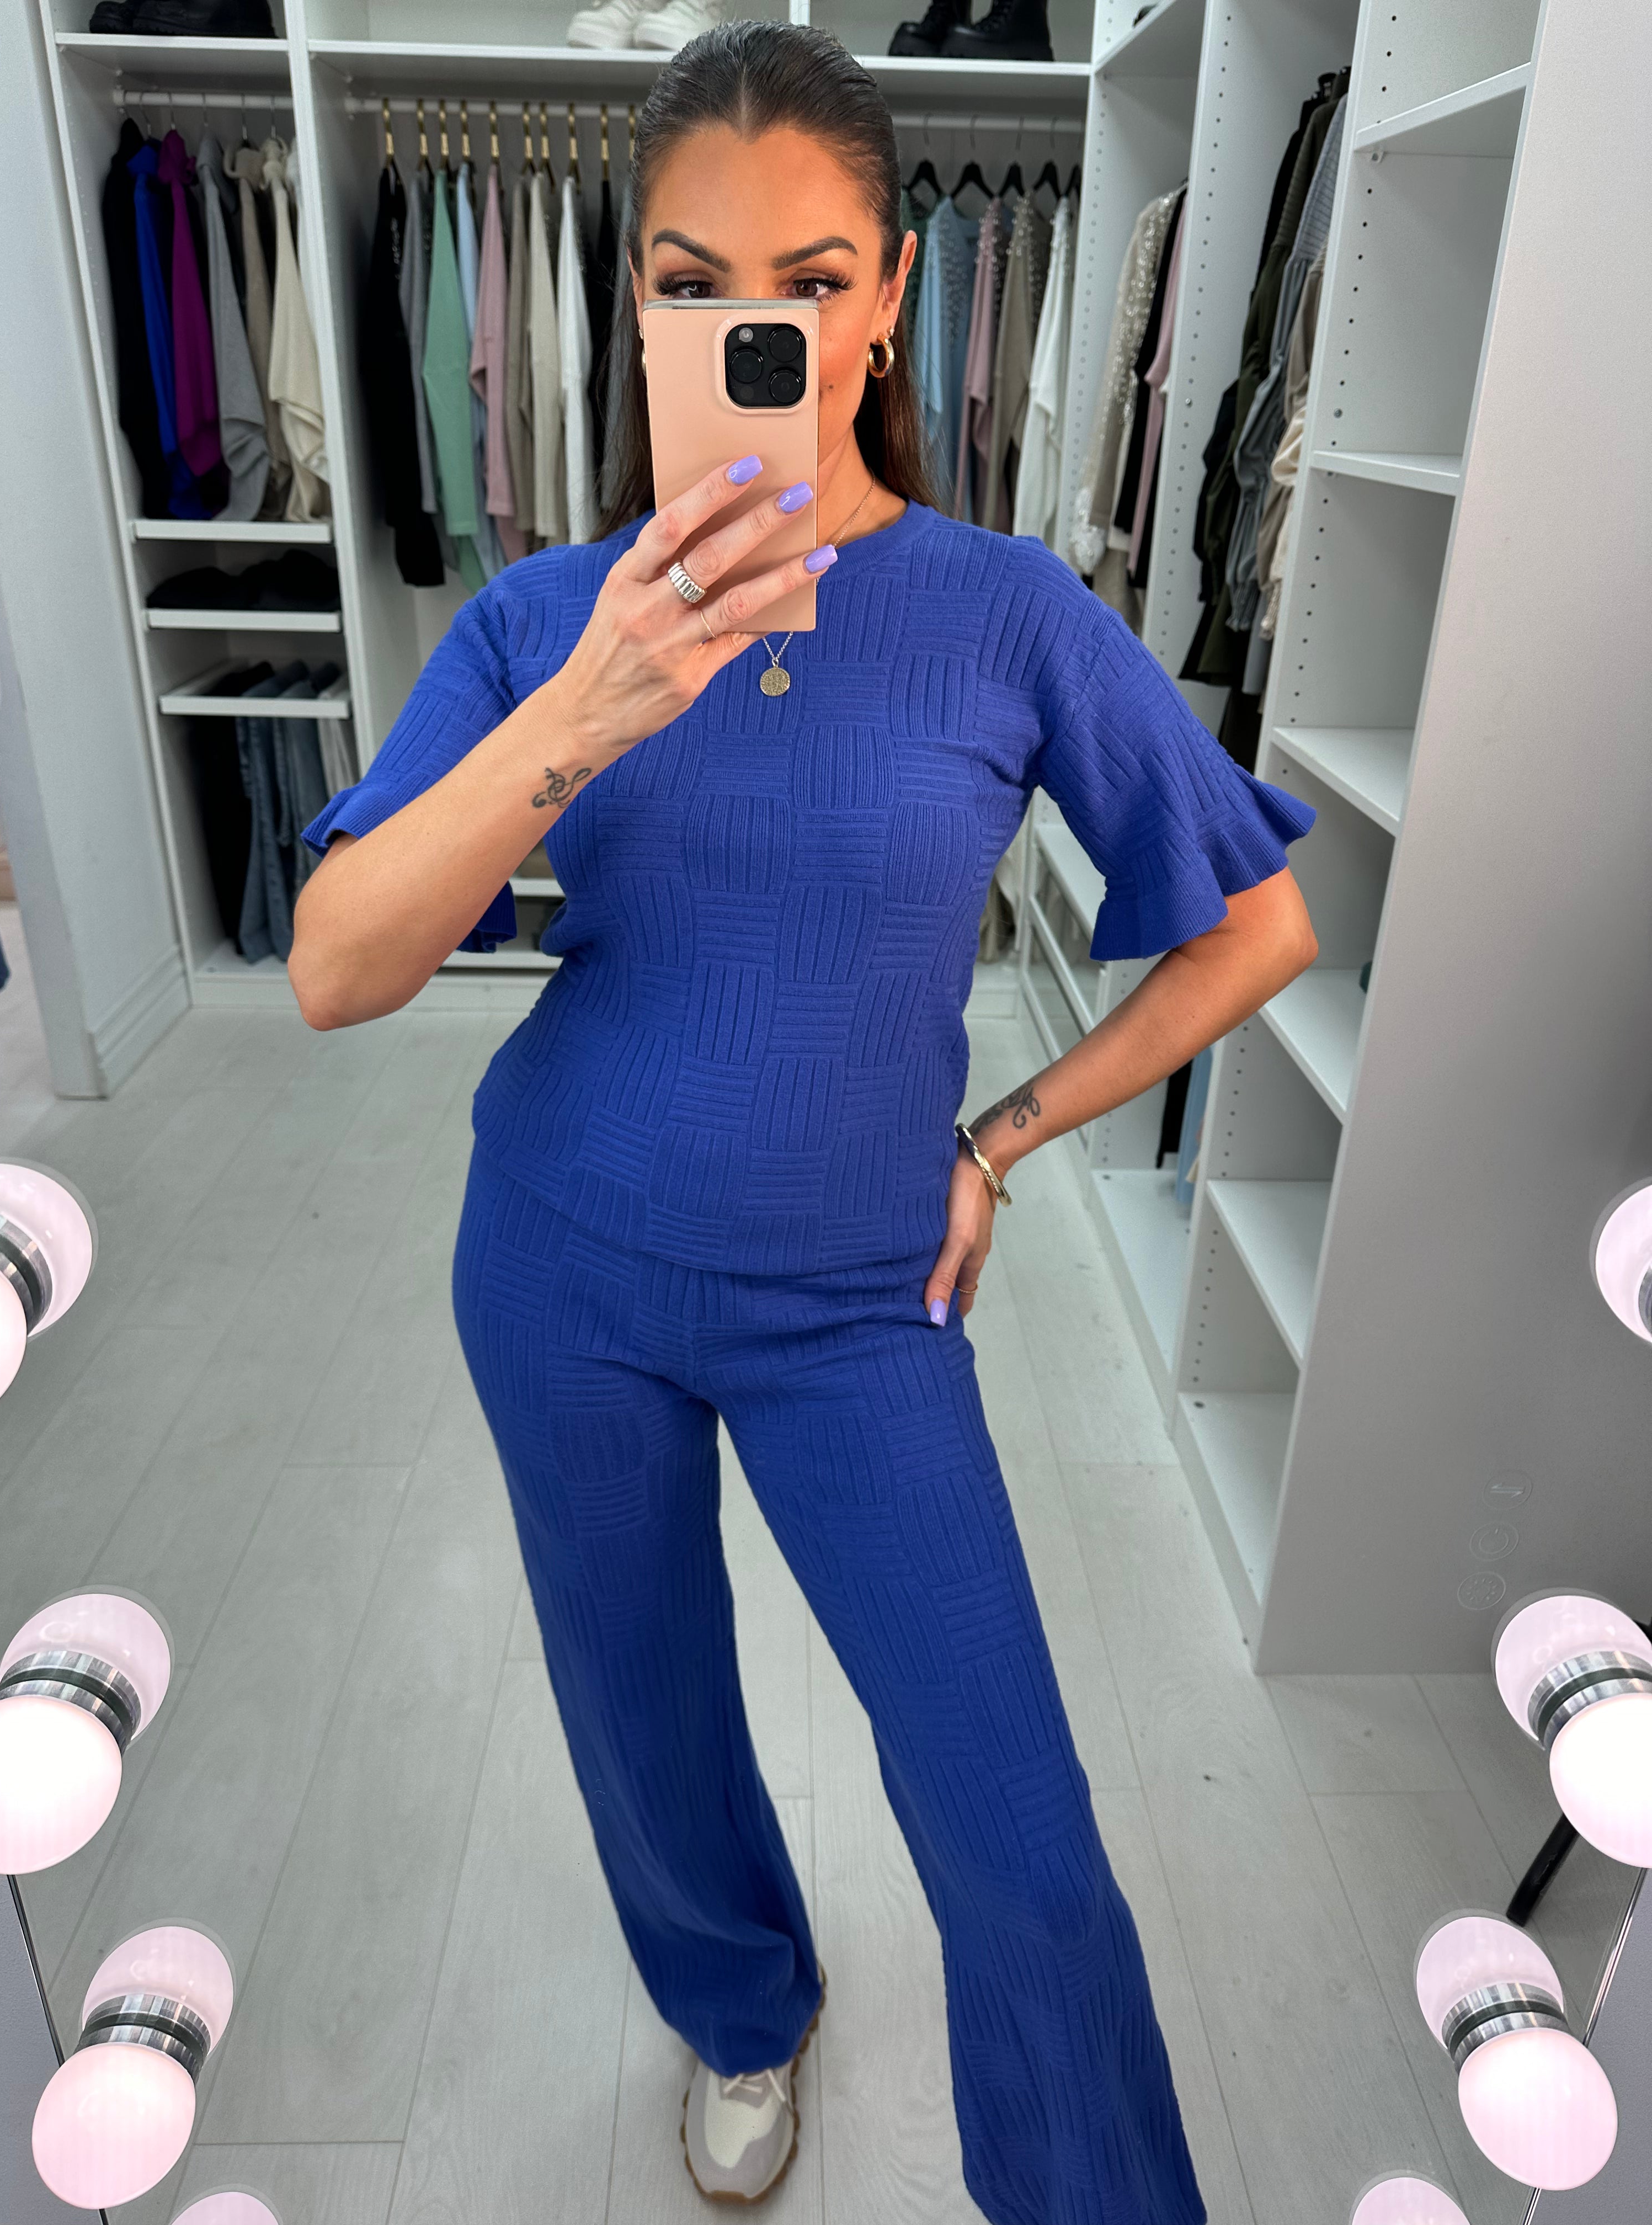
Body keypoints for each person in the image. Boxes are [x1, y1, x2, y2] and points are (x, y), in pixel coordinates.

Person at [289, 23, 1317, 2219]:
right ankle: (741, 2007)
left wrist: (1002, 1136)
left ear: (888, 297)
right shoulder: (544, 621)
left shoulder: (1007, 614)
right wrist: (592, 709)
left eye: (810, 276)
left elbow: (1260, 930)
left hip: (864, 1297)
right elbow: (337, 966)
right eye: (692, 281)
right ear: (636, 298)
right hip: (559, 1267)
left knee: (1024, 1845)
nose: (750, 322)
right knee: (642, 1710)